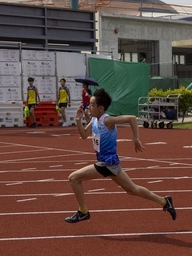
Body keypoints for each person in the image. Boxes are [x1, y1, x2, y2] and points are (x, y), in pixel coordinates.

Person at [65, 88, 176, 223]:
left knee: (74, 178)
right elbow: (83, 135)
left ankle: (83, 211)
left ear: (101, 108)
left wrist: (136, 139)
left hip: (107, 163)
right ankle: (164, 201)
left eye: (92, 104)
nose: (89, 106)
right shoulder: (94, 120)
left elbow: (132, 118)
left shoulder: (107, 120)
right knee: (132, 189)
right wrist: (78, 119)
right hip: (111, 164)